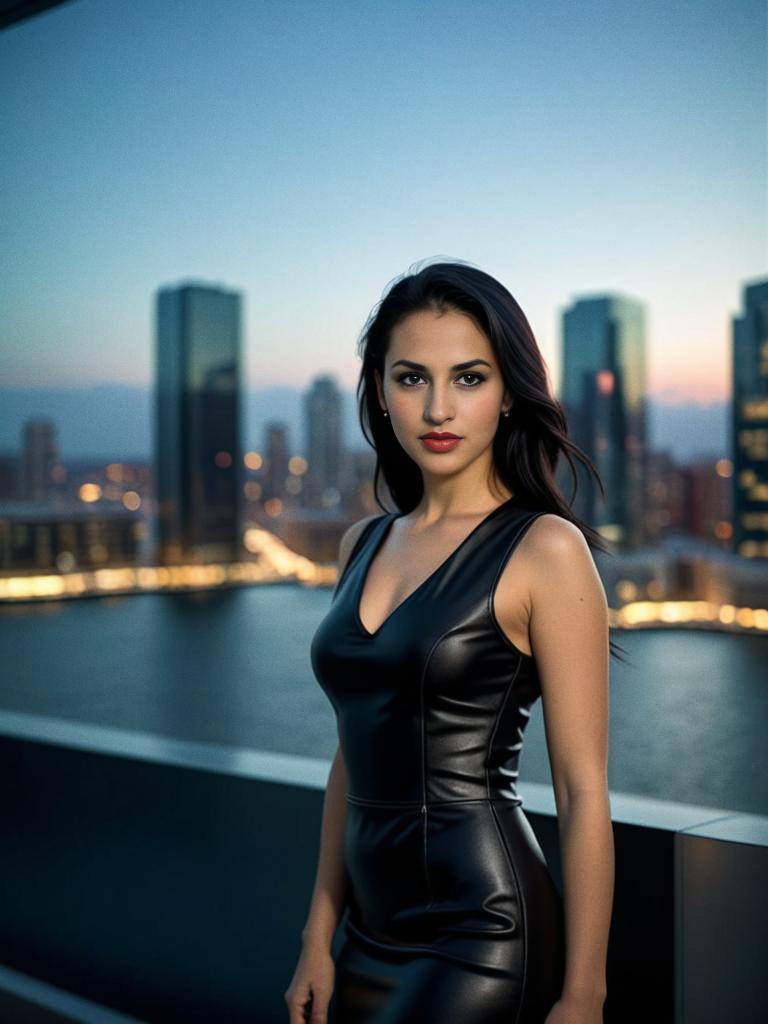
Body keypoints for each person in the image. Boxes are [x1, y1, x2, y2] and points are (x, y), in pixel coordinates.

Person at [285, 259, 616, 1023]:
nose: (438, 407)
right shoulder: (360, 543)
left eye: (469, 378)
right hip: (365, 932)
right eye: (411, 378)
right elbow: (352, 758)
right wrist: (316, 935)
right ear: (380, 390)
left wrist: (584, 996)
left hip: (483, 933)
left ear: (508, 394)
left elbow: (582, 787)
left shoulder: (545, 549)